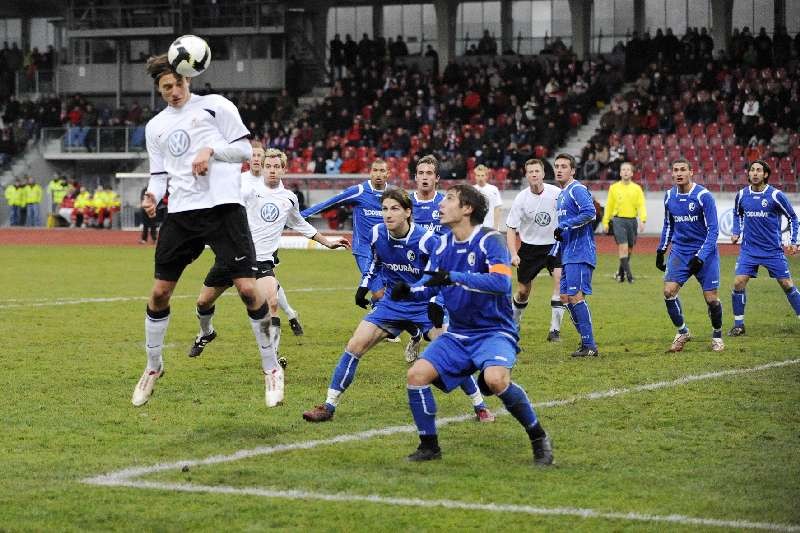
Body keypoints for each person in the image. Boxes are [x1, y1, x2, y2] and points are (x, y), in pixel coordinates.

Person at [132, 53, 263, 407]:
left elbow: (244, 151)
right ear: (159, 91)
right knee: (159, 293)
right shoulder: (156, 127)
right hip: (182, 213)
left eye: (177, 84)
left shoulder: (215, 106)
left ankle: (271, 369)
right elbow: (159, 175)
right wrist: (152, 196)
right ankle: (153, 366)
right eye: (165, 88)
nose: (173, 92)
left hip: (222, 207)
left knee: (249, 290)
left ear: (188, 78)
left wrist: (210, 150)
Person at [390, 184, 553, 464]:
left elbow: (501, 283)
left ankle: (538, 437)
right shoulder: (442, 244)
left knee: (496, 380)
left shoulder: (490, 240)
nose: (441, 204)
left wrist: (453, 276)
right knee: (416, 376)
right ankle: (429, 446)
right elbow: (431, 284)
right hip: (458, 334)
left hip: (494, 332)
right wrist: (410, 290)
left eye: (449, 199)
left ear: (467, 209)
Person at [302, 189, 494, 423]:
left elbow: (441, 275)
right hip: (391, 304)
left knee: (451, 352)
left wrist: (436, 303)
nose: (387, 214)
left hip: (423, 304)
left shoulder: (425, 240)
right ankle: (328, 407)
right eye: (384, 209)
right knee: (354, 345)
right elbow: (374, 263)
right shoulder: (376, 233)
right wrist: (364, 285)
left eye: (394, 209)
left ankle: (480, 406)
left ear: (408, 212)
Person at [190, 147, 350, 406]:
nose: (273, 170)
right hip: (233, 257)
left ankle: (273, 362)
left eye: (277, 167)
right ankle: (205, 333)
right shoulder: (247, 190)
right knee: (202, 303)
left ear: (284, 170)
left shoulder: (289, 198)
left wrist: (327, 242)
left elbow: (299, 224)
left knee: (272, 302)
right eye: (269, 166)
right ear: (262, 168)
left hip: (262, 261)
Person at [656, 158, 724, 353]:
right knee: (668, 292)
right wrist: (661, 250)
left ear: (691, 172)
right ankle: (683, 331)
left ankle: (717, 335)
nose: (679, 173)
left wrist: (701, 256)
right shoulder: (669, 196)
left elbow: (713, 231)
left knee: (711, 299)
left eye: (683, 170)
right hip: (680, 251)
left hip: (705, 252)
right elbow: (669, 225)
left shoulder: (703, 196)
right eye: (675, 170)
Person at [728, 160, 800, 336]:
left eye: (758, 170)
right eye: (752, 170)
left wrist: (793, 241)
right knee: (738, 282)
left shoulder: (775, 195)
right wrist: (736, 231)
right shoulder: (742, 195)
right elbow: (737, 214)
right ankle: (739, 325)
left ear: (765, 175)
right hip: (749, 250)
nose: (754, 173)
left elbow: (793, 218)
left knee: (786, 284)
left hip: (772, 251)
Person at [301, 159, 390, 300]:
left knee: (388, 293)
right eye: (375, 170)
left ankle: (379, 316)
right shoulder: (359, 191)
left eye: (382, 170)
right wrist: (300, 216)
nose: (378, 174)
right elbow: (330, 203)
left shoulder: (393, 194)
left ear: (388, 174)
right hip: (364, 249)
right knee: (379, 293)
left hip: (387, 250)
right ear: (370, 172)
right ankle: (380, 319)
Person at [506, 159, 565, 341]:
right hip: (530, 248)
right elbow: (510, 228)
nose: (534, 174)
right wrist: (514, 253)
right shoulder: (521, 198)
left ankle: (554, 331)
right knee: (523, 291)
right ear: (526, 175)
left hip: (554, 245)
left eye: (537, 171)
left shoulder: (557, 193)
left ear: (543, 174)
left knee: (559, 284)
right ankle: (514, 325)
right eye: (530, 171)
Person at [551, 153, 599, 357]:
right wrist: (554, 252)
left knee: (576, 296)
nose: (559, 169)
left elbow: (590, 212)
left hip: (581, 252)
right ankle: (585, 341)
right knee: (565, 297)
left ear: (572, 170)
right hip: (568, 253)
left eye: (564, 166)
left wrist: (566, 225)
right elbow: (562, 231)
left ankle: (590, 345)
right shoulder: (561, 195)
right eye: (557, 166)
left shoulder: (577, 189)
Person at [601, 161, 647, 283]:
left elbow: (641, 205)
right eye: (623, 170)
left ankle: (620, 274)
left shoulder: (637, 189)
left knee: (630, 249)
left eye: (628, 170)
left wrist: (642, 219)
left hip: (632, 221)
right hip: (618, 220)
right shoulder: (614, 188)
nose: (625, 172)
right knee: (623, 247)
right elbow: (609, 206)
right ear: (620, 173)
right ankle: (629, 276)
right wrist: (605, 222)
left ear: (632, 173)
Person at [472, 164, 503, 229]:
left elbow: (497, 209)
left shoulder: (493, 189)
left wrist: (496, 226)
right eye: (478, 175)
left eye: (482, 175)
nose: (480, 178)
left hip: (490, 225)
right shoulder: (471, 190)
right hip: (475, 226)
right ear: (475, 177)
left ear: (486, 176)